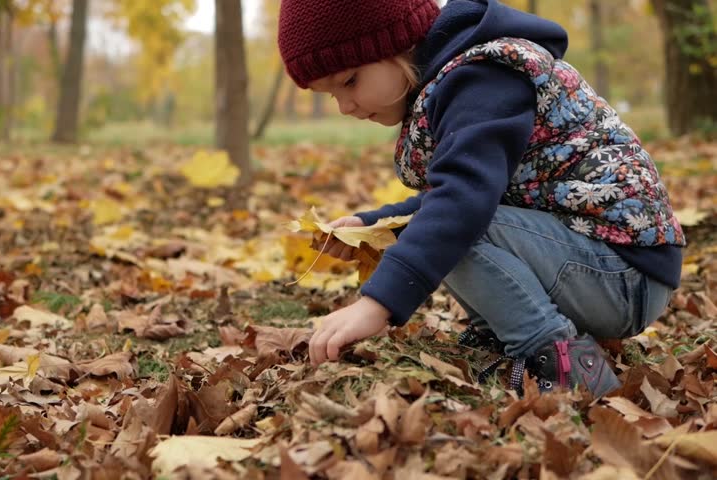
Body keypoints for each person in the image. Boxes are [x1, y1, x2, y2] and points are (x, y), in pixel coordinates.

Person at [277, 0, 685, 397]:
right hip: (589, 259)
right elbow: (457, 193)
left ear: (397, 44)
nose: (346, 106)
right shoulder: (452, 77)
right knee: (449, 224)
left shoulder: (483, 76)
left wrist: (377, 304)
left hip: (624, 274)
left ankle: (561, 363)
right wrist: (374, 225)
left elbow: (461, 203)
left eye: (349, 81)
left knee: (459, 229)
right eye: (331, 95)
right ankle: (502, 337)